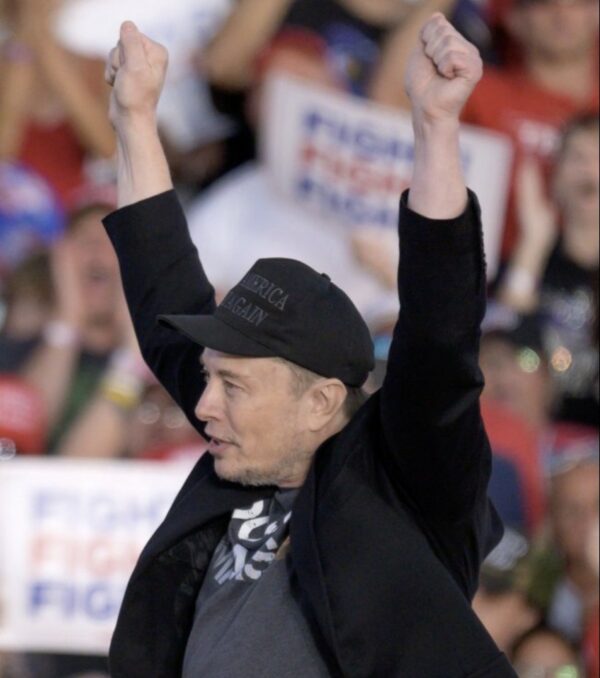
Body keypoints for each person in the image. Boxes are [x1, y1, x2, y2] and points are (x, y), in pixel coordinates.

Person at [103, 14, 517, 676]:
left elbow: (440, 335)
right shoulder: (245, 454)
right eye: (211, 379)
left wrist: (435, 126)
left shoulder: (407, 485)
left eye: (232, 386)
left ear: (321, 401)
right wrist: (133, 119)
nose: (203, 405)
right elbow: (165, 292)